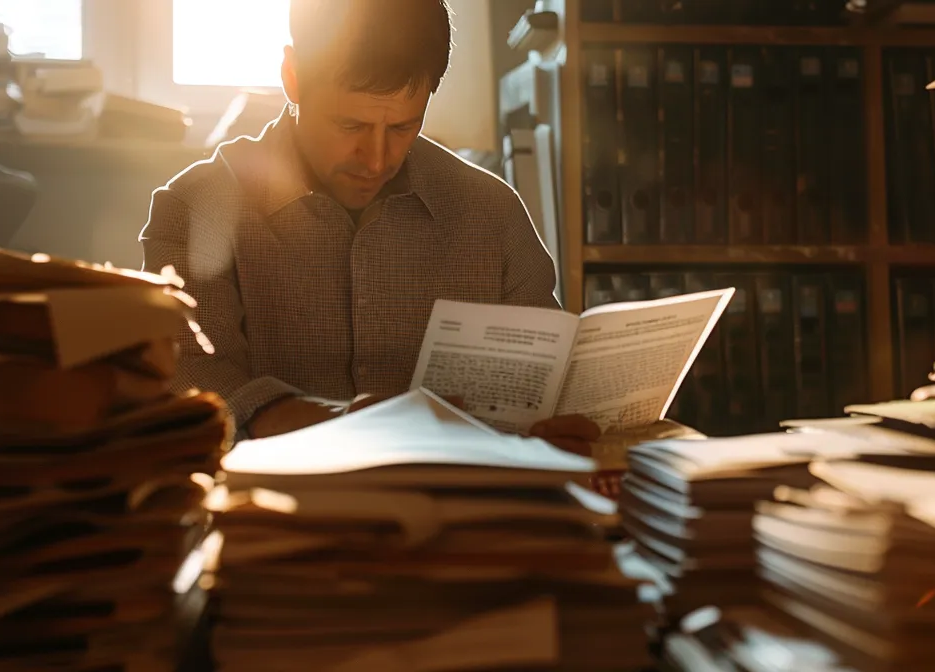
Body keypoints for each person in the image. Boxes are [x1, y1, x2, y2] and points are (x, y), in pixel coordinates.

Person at [139, 0, 600, 455]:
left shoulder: (493, 214)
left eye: (403, 126)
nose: (377, 160)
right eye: (350, 124)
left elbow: (548, 382)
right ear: (293, 77)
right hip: (270, 515)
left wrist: (553, 430)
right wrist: (318, 422)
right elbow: (188, 378)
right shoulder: (194, 210)